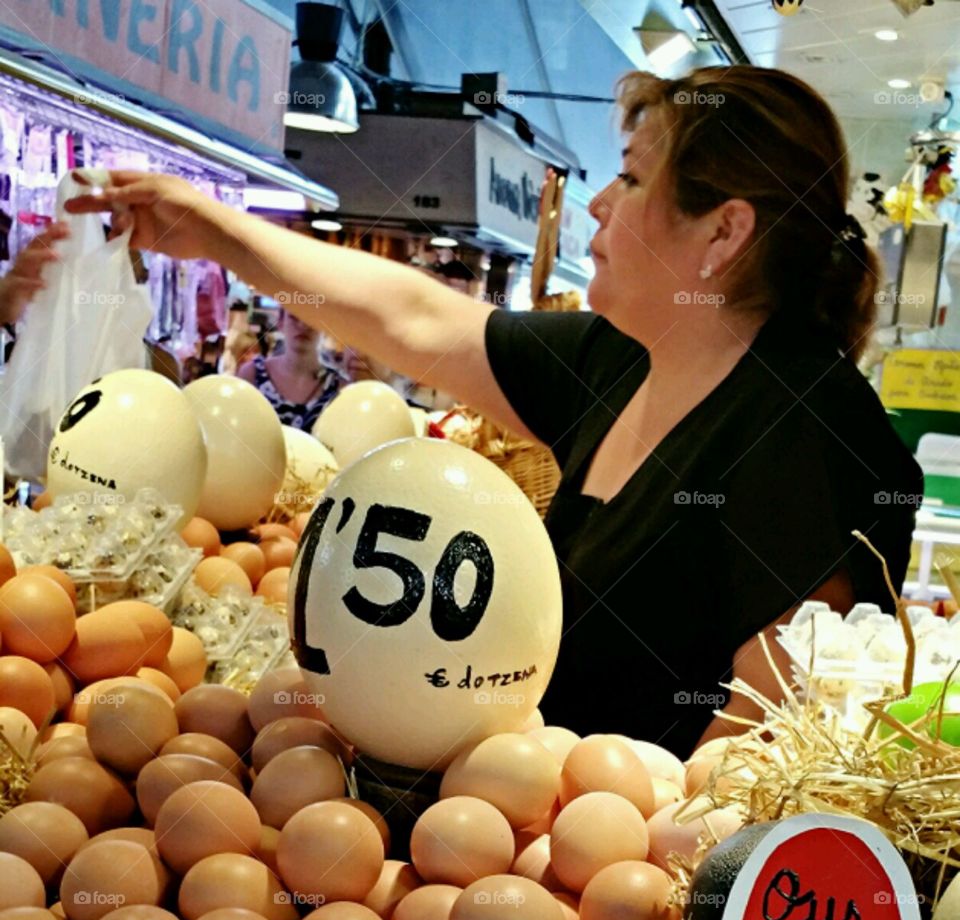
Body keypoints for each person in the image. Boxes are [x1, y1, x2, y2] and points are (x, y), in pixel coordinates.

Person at [67, 66, 923, 759]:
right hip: (521, 844)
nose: (600, 202)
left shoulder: (803, 425)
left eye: (631, 177)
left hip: (624, 899)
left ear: (724, 232)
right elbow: (417, 319)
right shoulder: (622, 360)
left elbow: (762, 741)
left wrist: (586, 860)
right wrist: (213, 231)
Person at [237, 307, 342, 431]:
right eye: (294, 316)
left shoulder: (338, 387)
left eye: (312, 317)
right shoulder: (252, 374)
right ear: (281, 321)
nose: (303, 325)